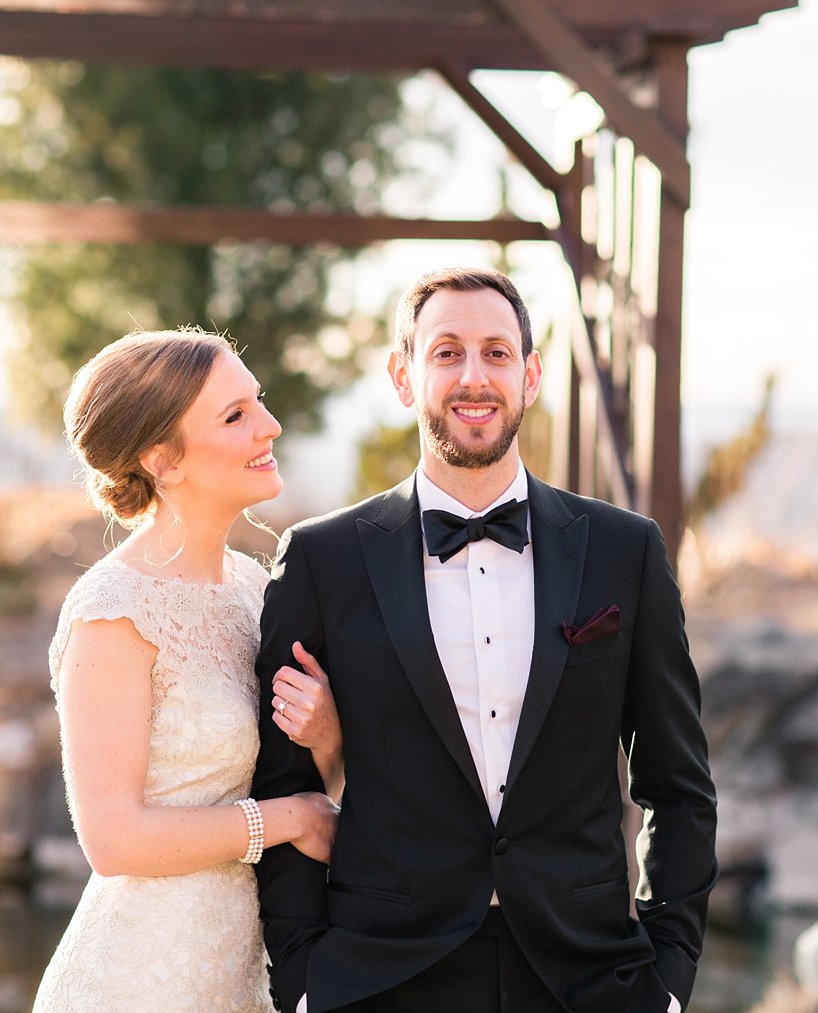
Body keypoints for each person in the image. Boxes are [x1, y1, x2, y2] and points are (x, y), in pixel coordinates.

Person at [252, 268, 718, 1013]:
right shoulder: (321, 560)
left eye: (497, 353)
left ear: (531, 377)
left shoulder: (624, 551)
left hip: (590, 978)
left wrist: (668, 978)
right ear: (404, 377)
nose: (475, 377)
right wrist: (303, 980)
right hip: (381, 977)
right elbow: (280, 783)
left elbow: (678, 784)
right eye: (447, 353)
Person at [34, 329, 342, 1012]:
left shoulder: (257, 589)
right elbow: (113, 839)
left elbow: (301, 765)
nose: (270, 425)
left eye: (256, 402)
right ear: (161, 458)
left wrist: (326, 732)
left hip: (244, 974)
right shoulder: (113, 612)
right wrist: (287, 817)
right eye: (235, 416)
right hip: (138, 980)